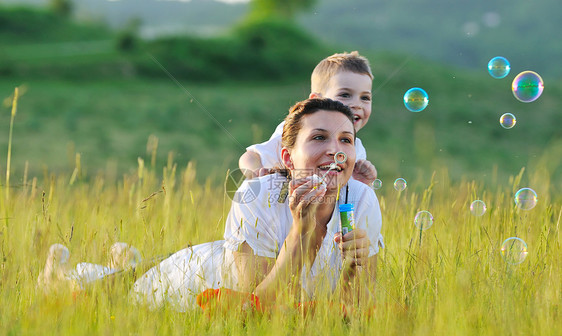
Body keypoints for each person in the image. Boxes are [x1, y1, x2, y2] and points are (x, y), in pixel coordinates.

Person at [40, 98, 383, 313]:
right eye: (319, 137)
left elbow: (356, 312)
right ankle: (64, 274)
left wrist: (357, 268)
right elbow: (255, 305)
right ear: (287, 158)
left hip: (266, 289)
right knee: (114, 295)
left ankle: (124, 260)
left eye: (345, 141)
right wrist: (300, 232)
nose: (335, 151)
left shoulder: (362, 199)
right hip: (197, 285)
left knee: (131, 274)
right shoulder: (257, 195)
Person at [239, 51, 378, 187]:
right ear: (317, 100)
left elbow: (345, 191)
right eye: (345, 95)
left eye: (365, 98)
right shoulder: (299, 131)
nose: (357, 105)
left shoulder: (356, 148)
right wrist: (256, 174)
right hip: (279, 203)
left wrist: (362, 183)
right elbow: (251, 157)